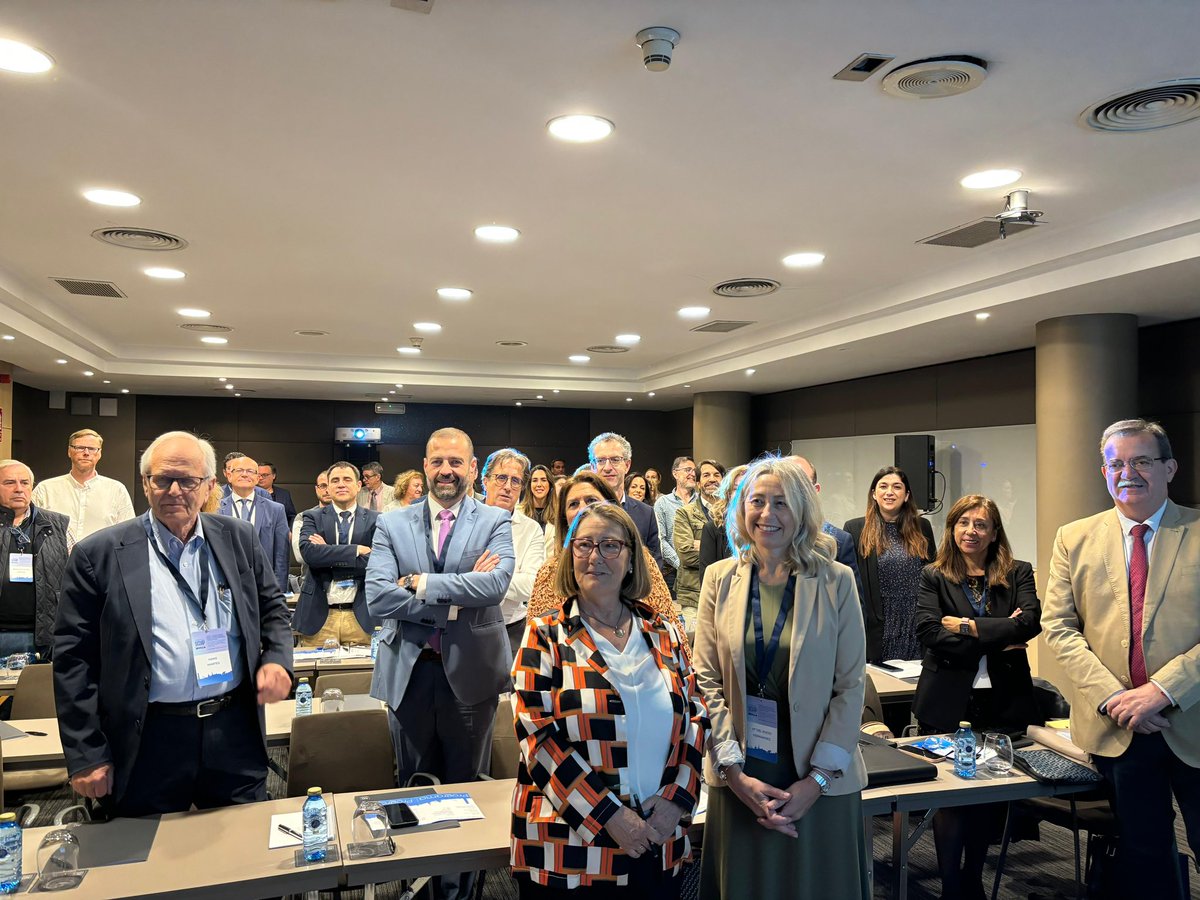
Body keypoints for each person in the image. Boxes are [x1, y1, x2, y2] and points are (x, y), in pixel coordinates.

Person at [53, 431, 293, 817]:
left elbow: (272, 610)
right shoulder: (97, 554)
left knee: (240, 856)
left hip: (232, 730)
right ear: (146, 483)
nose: (175, 490)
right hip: (148, 735)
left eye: (189, 481)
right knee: (146, 864)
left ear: (210, 485)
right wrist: (85, 752)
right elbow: (73, 661)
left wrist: (277, 659)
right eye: (162, 479)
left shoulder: (239, 538)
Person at [694, 456, 869, 900]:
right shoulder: (719, 579)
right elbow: (705, 679)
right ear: (742, 508)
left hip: (818, 775)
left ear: (804, 511)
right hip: (744, 775)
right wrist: (732, 772)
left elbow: (851, 686)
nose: (768, 514)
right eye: (757, 501)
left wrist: (817, 782)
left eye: (782, 503)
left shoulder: (836, 580)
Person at [511, 502, 707, 897]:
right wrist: (608, 815)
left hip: (658, 835)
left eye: (610, 546)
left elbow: (695, 717)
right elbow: (539, 741)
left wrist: (677, 800)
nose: (594, 556)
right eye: (583, 545)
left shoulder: (662, 631)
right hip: (569, 849)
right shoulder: (545, 634)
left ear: (631, 557)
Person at [1042, 418, 1200, 900]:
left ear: (1169, 468)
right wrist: (1115, 697)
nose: (1127, 472)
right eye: (1116, 463)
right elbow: (1059, 628)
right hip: (1120, 730)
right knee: (1145, 856)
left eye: (1142, 461)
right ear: (1104, 471)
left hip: (1193, 720)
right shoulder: (1074, 537)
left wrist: (1162, 691)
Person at [366, 427, 514, 900]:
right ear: (424, 466)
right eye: (437, 461)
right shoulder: (392, 522)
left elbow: (494, 588)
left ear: (472, 468)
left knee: (465, 789)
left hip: (470, 677)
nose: (446, 470)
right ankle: (418, 888)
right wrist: (454, 597)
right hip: (407, 675)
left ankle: (462, 893)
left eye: (456, 462)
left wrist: (422, 584)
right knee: (412, 788)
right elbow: (377, 596)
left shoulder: (495, 520)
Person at [912, 494, 1041, 900]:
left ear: (994, 531)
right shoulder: (934, 575)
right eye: (963, 523)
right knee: (950, 796)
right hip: (947, 700)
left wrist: (967, 627)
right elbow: (930, 632)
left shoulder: (1018, 572)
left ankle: (973, 878)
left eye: (980, 524)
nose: (971, 531)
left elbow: (1032, 623)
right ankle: (952, 885)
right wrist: (1000, 633)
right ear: (951, 528)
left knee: (989, 796)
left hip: (1001, 700)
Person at [528, 473, 680, 648]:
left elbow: (675, 638)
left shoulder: (644, 562)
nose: (583, 509)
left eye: (591, 500)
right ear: (564, 516)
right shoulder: (549, 572)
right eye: (573, 504)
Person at [844, 466, 936, 663]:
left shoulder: (923, 527)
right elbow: (850, 583)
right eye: (883, 486)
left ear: (907, 495)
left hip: (915, 619)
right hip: (878, 622)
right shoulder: (855, 529)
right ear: (874, 494)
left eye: (897, 487)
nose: (889, 492)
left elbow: (934, 575)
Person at [296, 462, 381, 648]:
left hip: (361, 617)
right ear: (328, 486)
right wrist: (355, 550)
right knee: (315, 676)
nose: (341, 484)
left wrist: (327, 552)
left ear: (358, 486)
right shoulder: (312, 516)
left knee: (360, 676)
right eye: (335, 480)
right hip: (319, 617)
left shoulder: (377, 520)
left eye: (347, 479)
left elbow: (377, 561)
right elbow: (310, 554)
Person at [0, 460, 70, 659]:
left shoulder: (58, 525)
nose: (18, 489)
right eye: (9, 483)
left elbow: (78, 575)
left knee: (35, 690)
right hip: (2, 630)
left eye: (24, 483)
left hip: (42, 638)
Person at [481, 449, 546, 656]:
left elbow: (531, 585)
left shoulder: (531, 529)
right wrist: (507, 578)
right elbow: (454, 575)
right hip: (466, 626)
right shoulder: (463, 520)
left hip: (513, 629)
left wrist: (482, 580)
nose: (508, 487)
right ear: (485, 481)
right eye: (501, 478)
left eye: (516, 481)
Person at [31, 429, 135, 544]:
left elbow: (128, 533)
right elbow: (28, 528)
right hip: (57, 560)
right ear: (69, 451)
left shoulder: (117, 490)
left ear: (99, 453)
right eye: (80, 447)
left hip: (100, 560)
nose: (86, 453)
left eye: (92, 449)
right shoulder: (45, 489)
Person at [790, 457, 865, 603]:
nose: (792, 491)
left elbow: (854, 608)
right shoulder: (763, 535)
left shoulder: (839, 541)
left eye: (801, 484)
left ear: (815, 490)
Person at [217, 454, 290, 594]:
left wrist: (279, 594)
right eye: (239, 470)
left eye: (250, 471)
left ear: (257, 478)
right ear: (229, 476)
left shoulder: (276, 510)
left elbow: (281, 556)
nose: (245, 474)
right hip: (225, 587)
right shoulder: (216, 509)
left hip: (263, 587)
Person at [588, 432, 662, 568]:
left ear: (627, 465)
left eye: (615, 460)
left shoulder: (646, 513)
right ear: (593, 467)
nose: (608, 467)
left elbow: (655, 563)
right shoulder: (581, 511)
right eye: (601, 461)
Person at [672, 459, 726, 629]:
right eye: (706, 475)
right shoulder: (684, 513)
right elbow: (686, 554)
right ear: (697, 482)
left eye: (717, 475)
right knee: (696, 648)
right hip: (693, 595)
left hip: (728, 592)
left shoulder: (733, 513)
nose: (712, 479)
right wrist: (721, 554)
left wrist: (701, 545)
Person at [655, 457, 697, 596]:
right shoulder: (663, 503)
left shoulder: (701, 502)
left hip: (699, 571)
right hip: (672, 573)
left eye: (694, 470)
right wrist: (681, 564)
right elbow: (661, 539)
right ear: (675, 473)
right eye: (687, 470)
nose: (692, 473)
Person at [698, 465, 746, 585]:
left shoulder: (763, 528)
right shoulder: (712, 529)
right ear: (729, 494)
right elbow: (707, 579)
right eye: (736, 488)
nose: (742, 493)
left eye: (747, 487)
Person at [291, 468, 332, 564]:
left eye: (330, 485)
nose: (327, 490)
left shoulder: (347, 516)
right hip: (311, 577)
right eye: (323, 486)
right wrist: (336, 551)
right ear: (316, 489)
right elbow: (300, 556)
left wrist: (323, 548)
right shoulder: (302, 517)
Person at [521, 464, 554, 530]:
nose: (539, 484)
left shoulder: (558, 513)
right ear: (530, 485)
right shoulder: (518, 512)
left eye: (543, 480)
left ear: (550, 484)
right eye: (535, 480)